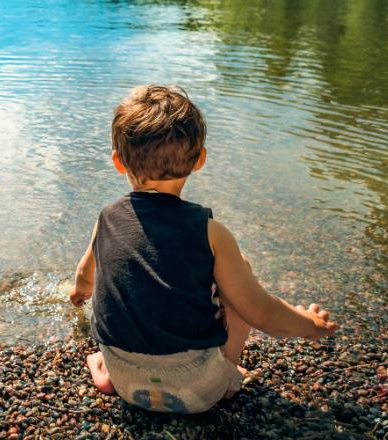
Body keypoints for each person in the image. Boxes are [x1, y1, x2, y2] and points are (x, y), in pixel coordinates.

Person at [68, 85, 338, 414]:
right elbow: (261, 313)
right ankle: (229, 375)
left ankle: (104, 370)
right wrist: (310, 325)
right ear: (199, 160)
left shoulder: (106, 220)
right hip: (198, 391)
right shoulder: (210, 233)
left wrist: (78, 295)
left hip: (126, 383)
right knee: (239, 269)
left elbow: (84, 277)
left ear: (118, 163)